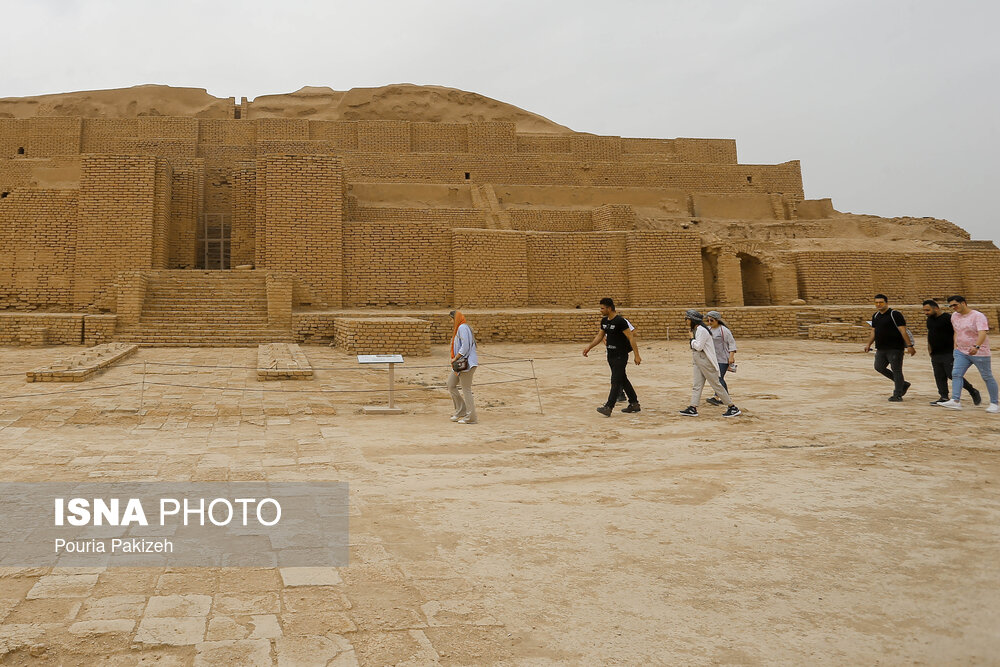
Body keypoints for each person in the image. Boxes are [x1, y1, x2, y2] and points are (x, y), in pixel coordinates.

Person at [939, 296, 999, 413]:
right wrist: (955, 347)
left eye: (955, 305)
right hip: (961, 351)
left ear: (963, 303)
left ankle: (995, 403)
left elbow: (982, 332)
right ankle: (955, 400)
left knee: (986, 376)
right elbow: (957, 331)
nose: (953, 308)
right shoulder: (954, 316)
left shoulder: (978, 316)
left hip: (979, 352)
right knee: (956, 374)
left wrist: (976, 346)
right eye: (951, 306)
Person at [582, 297, 641, 416]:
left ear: (609, 308)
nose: (600, 310)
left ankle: (609, 407)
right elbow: (600, 336)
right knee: (622, 379)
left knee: (615, 381)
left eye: (602, 308)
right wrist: (589, 347)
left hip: (621, 355)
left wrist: (637, 355)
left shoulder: (620, 321)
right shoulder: (604, 321)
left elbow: (631, 337)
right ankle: (634, 403)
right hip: (611, 355)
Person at [679, 309, 741, 417]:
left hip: (705, 360)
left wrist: (691, 340)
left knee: (716, 384)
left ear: (692, 320)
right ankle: (693, 407)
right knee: (697, 385)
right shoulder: (699, 329)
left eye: (687, 319)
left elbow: (698, 346)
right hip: (698, 360)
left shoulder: (702, 330)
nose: (686, 321)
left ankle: (732, 407)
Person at [922, 299, 980, 405]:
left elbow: (958, 332)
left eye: (927, 310)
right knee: (939, 375)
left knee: (952, 374)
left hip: (948, 352)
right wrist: (929, 349)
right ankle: (943, 397)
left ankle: (973, 391)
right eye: (924, 310)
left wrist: (956, 349)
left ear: (936, 308)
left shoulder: (948, 318)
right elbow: (930, 335)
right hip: (935, 353)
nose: (926, 313)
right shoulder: (929, 320)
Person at [863, 294, 915, 402]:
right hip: (881, 348)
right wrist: (868, 344)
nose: (878, 304)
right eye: (876, 302)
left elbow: (903, 330)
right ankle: (903, 384)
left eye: (881, 302)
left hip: (895, 348)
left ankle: (897, 394)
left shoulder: (894, 314)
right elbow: (873, 331)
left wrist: (909, 346)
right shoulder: (876, 315)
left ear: (886, 303)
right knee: (879, 367)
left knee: (896, 370)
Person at [447, 309, 479, 424]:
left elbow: (465, 346)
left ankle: (471, 417)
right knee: (450, 385)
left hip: (466, 364)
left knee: (466, 389)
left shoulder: (462, 328)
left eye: (451, 319)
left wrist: (455, 358)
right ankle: (461, 411)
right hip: (459, 364)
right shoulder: (460, 328)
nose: (451, 322)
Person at [703, 311, 737, 406]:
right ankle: (721, 397)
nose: (709, 322)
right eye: (708, 320)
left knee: (719, 378)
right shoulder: (708, 329)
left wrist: (731, 356)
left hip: (723, 359)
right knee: (716, 378)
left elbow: (732, 343)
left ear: (717, 320)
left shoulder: (724, 330)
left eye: (712, 320)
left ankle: (720, 397)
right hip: (712, 358)